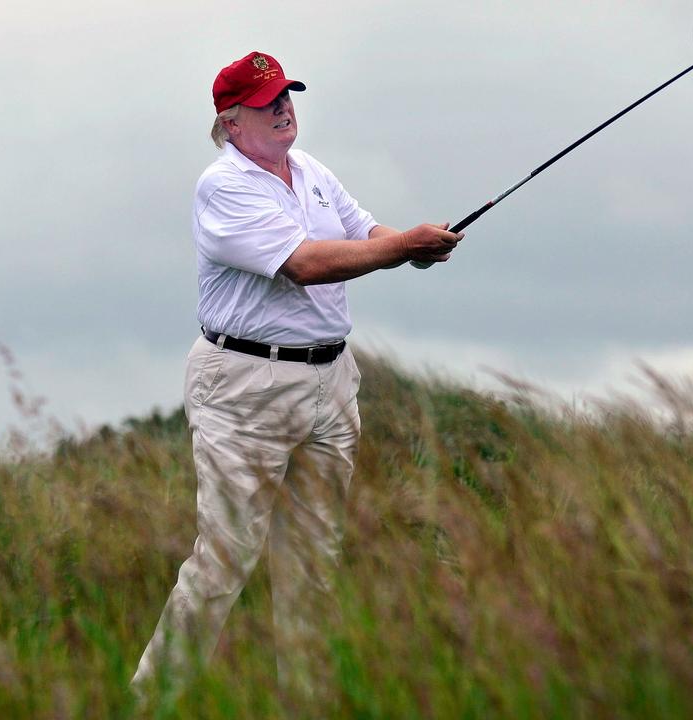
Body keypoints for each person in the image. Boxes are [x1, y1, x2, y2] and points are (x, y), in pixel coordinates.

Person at [131, 50, 462, 704]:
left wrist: (415, 247)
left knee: (313, 570)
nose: (283, 107)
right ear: (230, 123)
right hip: (245, 386)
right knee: (223, 562)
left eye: (286, 95)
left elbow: (364, 231)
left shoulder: (308, 170)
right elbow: (306, 263)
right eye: (266, 102)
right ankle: (149, 703)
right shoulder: (222, 185)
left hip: (330, 382)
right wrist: (401, 249)